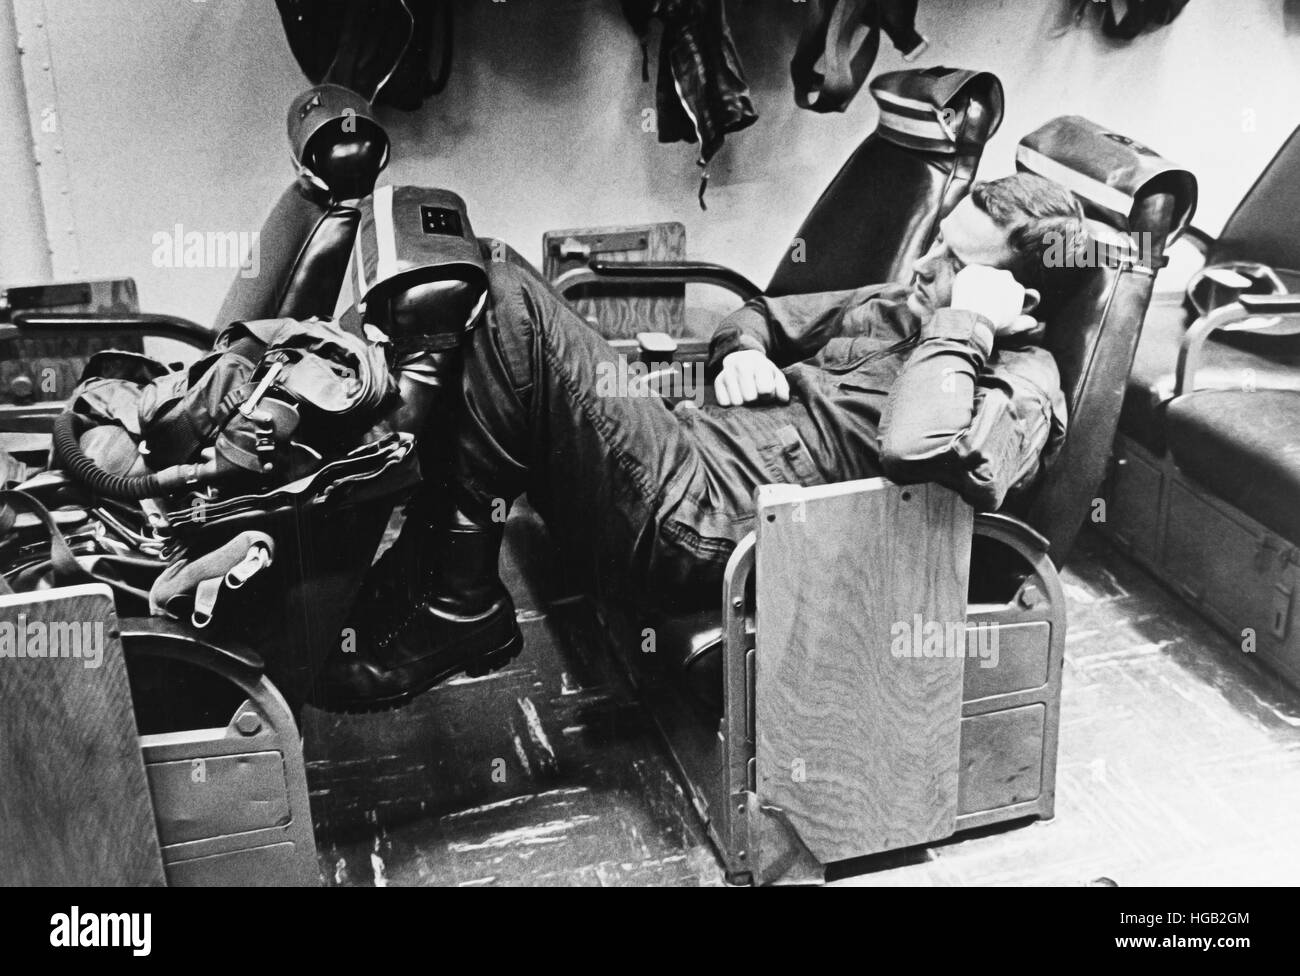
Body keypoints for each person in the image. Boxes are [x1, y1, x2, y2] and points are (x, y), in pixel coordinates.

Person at [315, 173, 1086, 712]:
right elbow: (756, 314)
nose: (923, 264)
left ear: (1020, 298)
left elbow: (916, 450)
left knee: (503, 295)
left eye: (956, 264)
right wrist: (742, 353)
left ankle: (450, 588)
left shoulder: (1021, 391)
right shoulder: (901, 300)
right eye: (939, 242)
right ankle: (430, 566)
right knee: (487, 265)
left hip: (718, 527)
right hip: (684, 454)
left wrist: (967, 325)